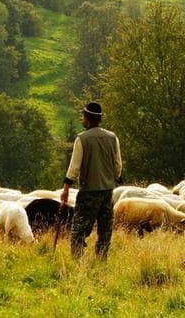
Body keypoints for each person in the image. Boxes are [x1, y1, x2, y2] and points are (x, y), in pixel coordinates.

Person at [61, 101, 122, 259]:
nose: (82, 119)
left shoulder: (82, 139)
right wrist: (115, 178)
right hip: (108, 191)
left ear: (87, 118)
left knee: (79, 230)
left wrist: (66, 187)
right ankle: (101, 260)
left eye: (83, 116)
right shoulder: (112, 137)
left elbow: (74, 167)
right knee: (105, 230)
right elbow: (118, 165)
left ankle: (77, 262)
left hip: (88, 192)